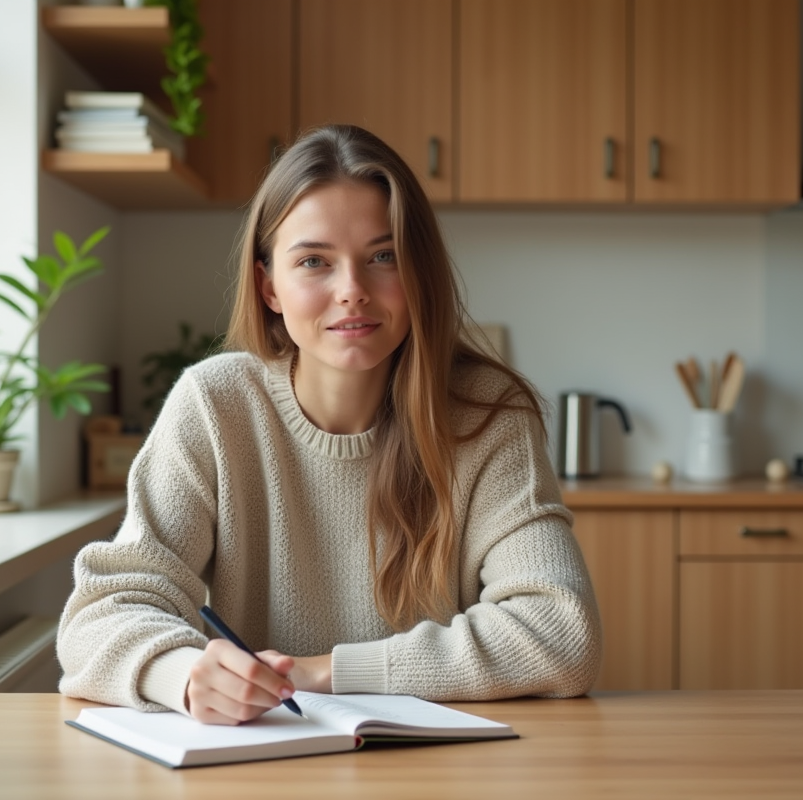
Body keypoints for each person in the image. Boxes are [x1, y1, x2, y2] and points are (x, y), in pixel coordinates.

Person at [56, 124, 602, 726]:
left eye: (383, 256)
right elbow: (97, 618)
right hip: (265, 766)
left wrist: (325, 671)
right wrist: (183, 675)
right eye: (314, 261)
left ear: (419, 272)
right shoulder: (215, 406)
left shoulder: (487, 414)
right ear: (269, 287)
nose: (352, 291)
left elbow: (561, 635)